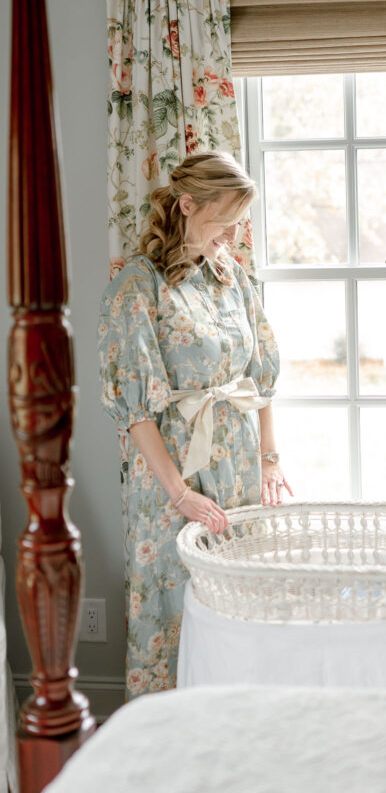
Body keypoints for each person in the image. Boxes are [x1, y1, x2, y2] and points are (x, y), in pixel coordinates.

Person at [98, 151, 290, 698]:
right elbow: (134, 408)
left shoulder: (231, 276)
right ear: (187, 205)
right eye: (224, 220)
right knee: (175, 608)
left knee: (240, 607)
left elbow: (261, 376)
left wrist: (269, 459)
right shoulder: (138, 286)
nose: (232, 234)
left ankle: (241, 730)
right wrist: (179, 492)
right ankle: (169, 738)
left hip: (236, 467)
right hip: (170, 476)